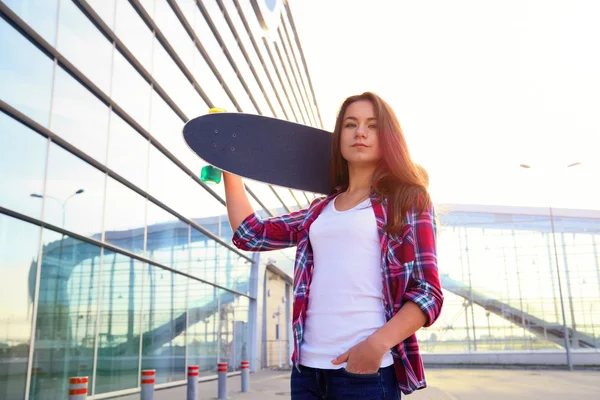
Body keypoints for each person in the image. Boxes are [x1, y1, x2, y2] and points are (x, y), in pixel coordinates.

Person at [225, 92, 443, 399]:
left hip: (365, 371)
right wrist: (228, 164)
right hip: (307, 371)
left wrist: (375, 346)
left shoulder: (408, 201)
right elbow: (251, 234)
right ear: (339, 137)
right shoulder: (319, 211)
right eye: (350, 125)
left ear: (388, 137)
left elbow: (428, 292)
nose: (361, 132)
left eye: (372, 125)